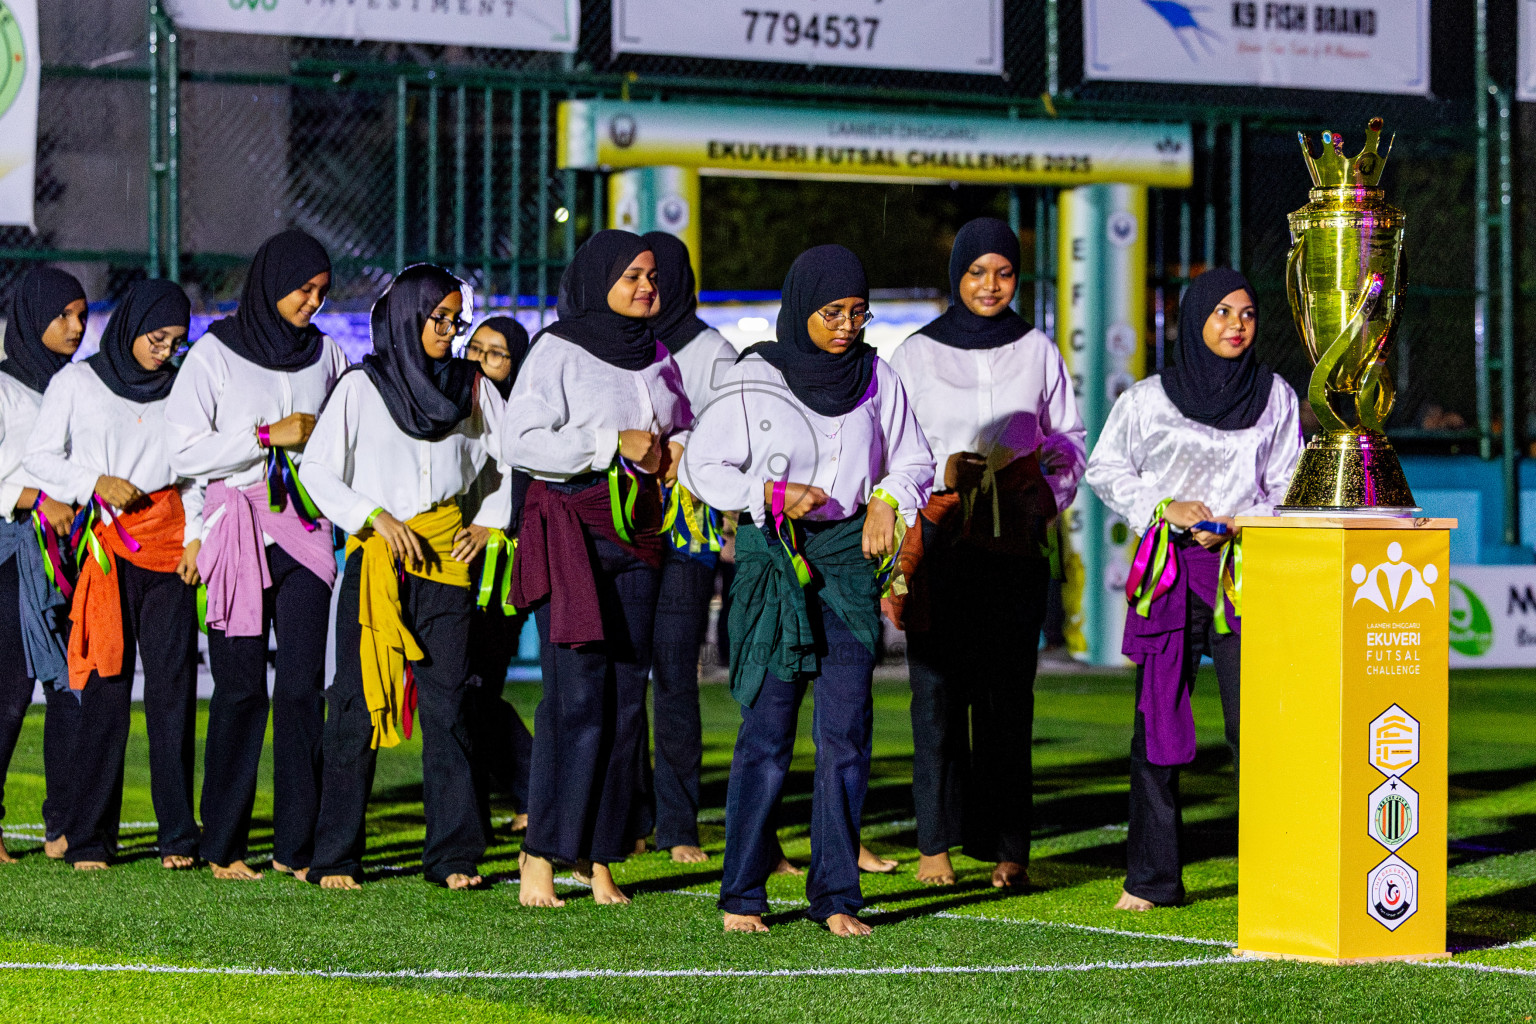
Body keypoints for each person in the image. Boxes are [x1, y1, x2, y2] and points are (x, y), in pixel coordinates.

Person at [680, 244, 933, 937]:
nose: (848, 325)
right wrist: (769, 493)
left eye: (858, 311)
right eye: (832, 313)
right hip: (774, 558)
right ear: (801, 309)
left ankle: (837, 897)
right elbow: (702, 466)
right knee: (767, 733)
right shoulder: (753, 376)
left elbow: (914, 455)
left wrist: (887, 497)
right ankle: (742, 894)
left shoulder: (878, 376)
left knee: (846, 733)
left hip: (849, 559)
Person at [1084, 267, 1301, 910]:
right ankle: (1152, 881)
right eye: (1223, 312)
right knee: (1158, 726)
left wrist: (1244, 522)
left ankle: (1275, 868)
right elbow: (1105, 467)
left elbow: (1290, 486)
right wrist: (1165, 504)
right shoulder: (1148, 399)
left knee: (1258, 729)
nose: (1237, 325)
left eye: (1248, 314)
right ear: (1195, 318)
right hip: (1170, 575)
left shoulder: (1277, 396)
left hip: (1245, 574)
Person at [886, 217, 1086, 890]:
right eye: (977, 273)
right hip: (942, 537)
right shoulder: (915, 354)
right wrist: (937, 479)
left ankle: (1009, 848)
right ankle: (935, 843)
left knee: (1008, 702)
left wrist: (1043, 491)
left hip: (1012, 546)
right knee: (936, 697)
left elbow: (1069, 440)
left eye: (1003, 272)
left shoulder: (1038, 350)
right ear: (957, 277)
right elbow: (894, 443)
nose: (990, 285)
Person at [300, 264, 510, 892]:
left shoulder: (474, 387)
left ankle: (452, 856)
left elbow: (505, 461)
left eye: (454, 318)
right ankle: (335, 855)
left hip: (447, 558)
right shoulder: (360, 389)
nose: (449, 330)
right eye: (437, 318)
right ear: (405, 317)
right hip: (376, 563)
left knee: (448, 707)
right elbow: (316, 473)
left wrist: (490, 524)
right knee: (357, 708)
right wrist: (373, 517)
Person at [502, 229, 690, 908]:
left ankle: (600, 855)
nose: (645, 286)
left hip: (638, 535)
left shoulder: (659, 354)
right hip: (572, 534)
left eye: (652, 277)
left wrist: (676, 454)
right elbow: (517, 440)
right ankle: (539, 854)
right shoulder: (557, 350)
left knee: (621, 700)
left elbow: (682, 427)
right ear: (596, 279)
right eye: (631, 275)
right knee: (575, 699)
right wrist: (611, 442)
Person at [165, 229, 348, 882]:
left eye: (322, 293)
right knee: (240, 689)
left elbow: (338, 441)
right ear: (272, 283)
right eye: (305, 289)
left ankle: (296, 847)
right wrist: (266, 436)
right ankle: (224, 845)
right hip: (234, 528)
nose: (313, 303)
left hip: (304, 531)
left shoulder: (328, 355)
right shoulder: (213, 354)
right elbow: (182, 454)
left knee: (302, 689)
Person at [25, 279, 204, 872]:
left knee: (174, 691)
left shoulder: (181, 387)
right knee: (105, 687)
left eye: (177, 342)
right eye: (158, 338)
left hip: (170, 543)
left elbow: (196, 471)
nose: (165, 351)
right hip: (108, 547)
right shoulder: (76, 383)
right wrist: (93, 483)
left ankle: (178, 835)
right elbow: (40, 458)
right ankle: (90, 839)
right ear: (132, 325)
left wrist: (198, 536)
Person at [639, 231, 737, 865]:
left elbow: (737, 424)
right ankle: (622, 816)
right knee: (617, 678)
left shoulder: (711, 351)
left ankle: (677, 824)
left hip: (685, 535)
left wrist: (685, 445)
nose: (647, 287)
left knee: (674, 675)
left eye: (656, 275)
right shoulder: (615, 341)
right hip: (620, 528)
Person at [0, 268, 87, 863]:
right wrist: (36, 498)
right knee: (9, 690)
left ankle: (65, 825)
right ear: (34, 317)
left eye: (82, 315)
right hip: (12, 550)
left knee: (71, 687)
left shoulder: (82, 386)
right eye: (64, 315)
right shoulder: (4, 388)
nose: (77, 328)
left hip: (75, 552)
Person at [461, 315, 533, 839]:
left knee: (476, 688)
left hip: (499, 570)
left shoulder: (523, 414)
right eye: (475, 350)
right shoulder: (451, 398)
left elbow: (522, 478)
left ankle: (530, 790)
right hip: (452, 561)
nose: (482, 362)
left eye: (496, 354)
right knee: (457, 690)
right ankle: (485, 805)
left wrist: (491, 525)